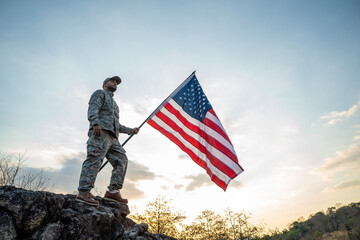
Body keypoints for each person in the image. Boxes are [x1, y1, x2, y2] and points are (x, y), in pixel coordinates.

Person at [76, 76, 139, 206]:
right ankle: (84, 191)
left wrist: (130, 130)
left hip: (113, 138)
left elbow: (117, 125)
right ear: (105, 84)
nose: (115, 83)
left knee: (122, 160)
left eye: (116, 82)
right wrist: (95, 123)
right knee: (94, 159)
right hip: (100, 132)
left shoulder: (115, 105)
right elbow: (93, 109)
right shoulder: (100, 94)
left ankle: (113, 191)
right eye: (112, 81)